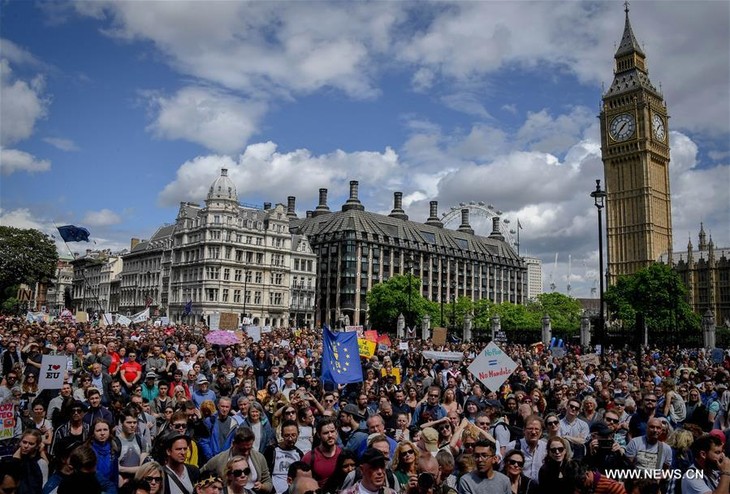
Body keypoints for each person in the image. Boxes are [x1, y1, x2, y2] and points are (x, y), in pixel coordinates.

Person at [201, 426, 273, 494]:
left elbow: (268, 482)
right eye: (243, 449)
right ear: (233, 444)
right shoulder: (219, 460)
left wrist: (263, 486)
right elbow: (200, 474)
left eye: (249, 448)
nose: (246, 452)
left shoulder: (259, 458)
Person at [263, 420, 303, 494]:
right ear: (282, 435)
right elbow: (265, 474)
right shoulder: (272, 450)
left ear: (298, 434)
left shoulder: (299, 454)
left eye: (293, 435)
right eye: (287, 435)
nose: (290, 439)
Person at [301, 416, 341, 488]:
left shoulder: (343, 454)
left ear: (336, 432)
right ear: (319, 435)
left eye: (332, 431)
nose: (330, 435)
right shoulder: (309, 458)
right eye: (326, 433)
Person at [87, 419, 120, 494]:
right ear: (93, 433)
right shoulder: (88, 450)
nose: (102, 433)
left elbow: (115, 474)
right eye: (98, 430)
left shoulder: (113, 448)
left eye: (105, 430)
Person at [13, 429, 48, 494]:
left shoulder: (40, 462)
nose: (26, 446)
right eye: (24, 442)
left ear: (37, 446)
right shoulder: (15, 458)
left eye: (31, 444)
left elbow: (44, 485)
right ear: (20, 442)